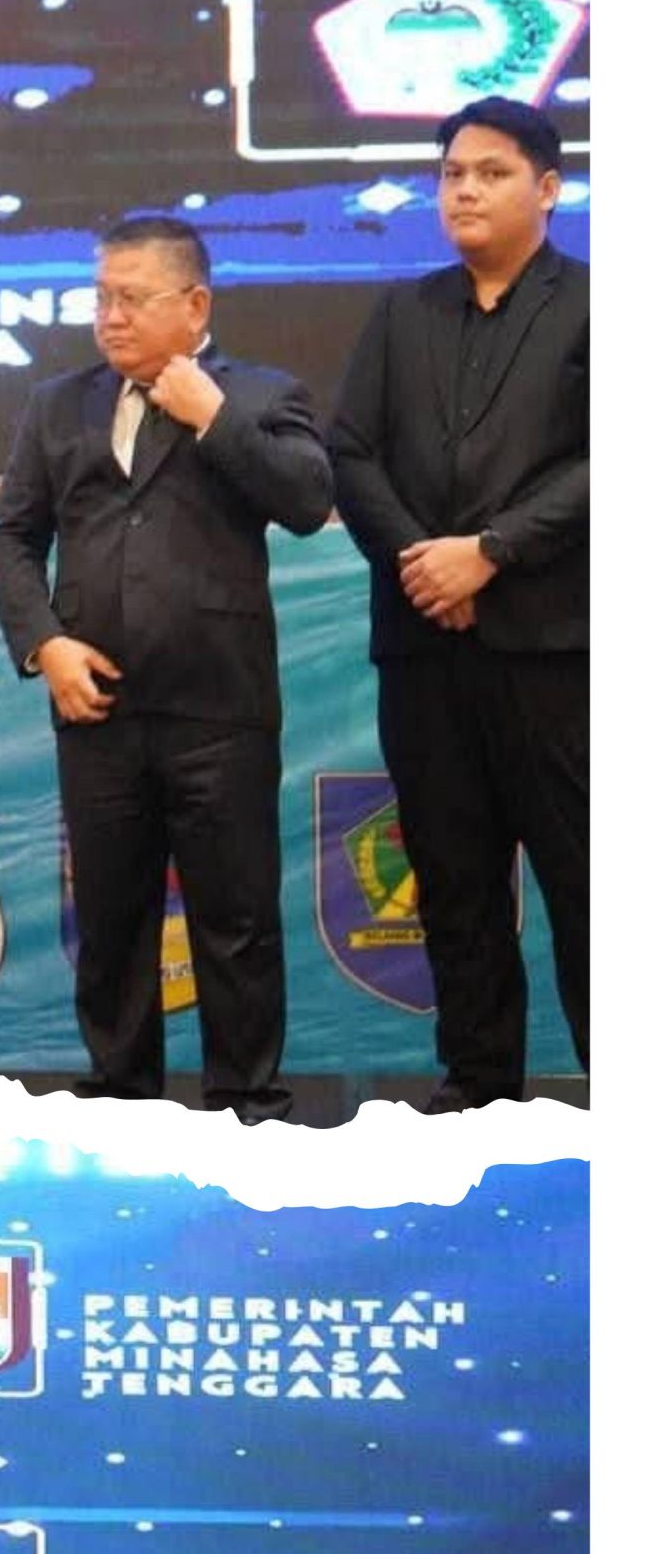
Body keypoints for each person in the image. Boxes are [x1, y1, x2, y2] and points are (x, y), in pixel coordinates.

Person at [0, 213, 334, 1124]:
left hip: (219, 711)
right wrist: (46, 643)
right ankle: (119, 1105)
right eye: (102, 297)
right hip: (96, 708)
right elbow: (12, 537)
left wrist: (212, 416)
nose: (111, 316)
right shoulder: (58, 405)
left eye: (133, 299)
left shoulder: (260, 395)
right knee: (111, 925)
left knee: (235, 923)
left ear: (196, 305)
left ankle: (246, 1107)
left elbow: (307, 501)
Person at [330, 96, 588, 1108]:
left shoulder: (599, 305)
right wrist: (423, 567)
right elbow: (350, 453)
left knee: (588, 883)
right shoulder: (403, 313)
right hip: (424, 651)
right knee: (452, 880)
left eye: (490, 172)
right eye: (450, 175)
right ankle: (478, 1091)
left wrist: (490, 553)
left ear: (548, 188)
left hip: (556, 652)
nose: (464, 191)